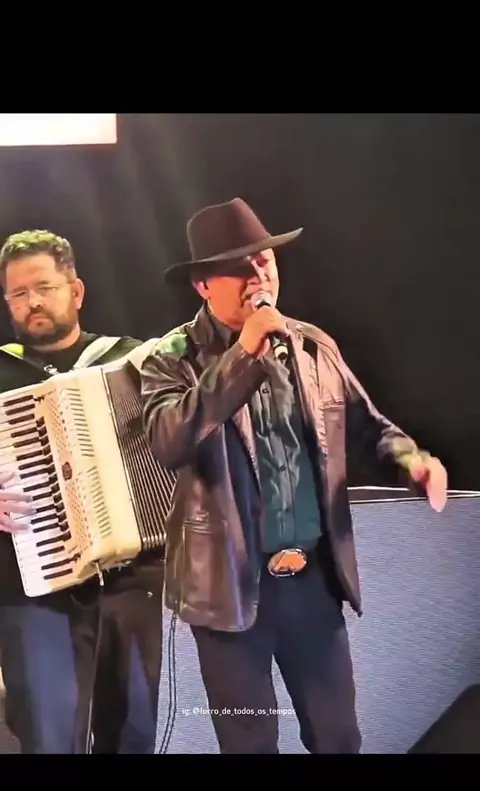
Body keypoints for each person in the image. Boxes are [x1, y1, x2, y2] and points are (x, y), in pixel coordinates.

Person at [139, 197, 448, 755]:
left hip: (311, 583)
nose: (258, 275)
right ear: (202, 285)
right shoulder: (172, 357)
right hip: (228, 593)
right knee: (251, 743)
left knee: (338, 737)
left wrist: (412, 462)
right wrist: (243, 353)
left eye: (265, 260)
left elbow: (370, 429)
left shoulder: (311, 346)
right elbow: (169, 439)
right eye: (239, 267)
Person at [0, 230, 164, 754]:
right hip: (34, 590)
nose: (32, 302)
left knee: (136, 735)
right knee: (48, 739)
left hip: (135, 581)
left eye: (43, 288)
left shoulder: (133, 361)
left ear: (76, 291)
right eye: (18, 294)